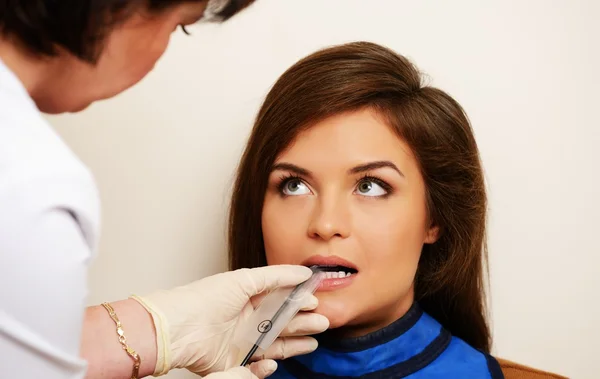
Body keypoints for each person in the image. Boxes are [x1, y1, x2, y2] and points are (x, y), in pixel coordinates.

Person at [0, 1, 329, 379]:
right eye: (180, 25)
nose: (326, 223)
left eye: (370, 186)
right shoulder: (30, 185)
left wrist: (159, 329)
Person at [228, 41, 567, 378]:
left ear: (434, 219)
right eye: (294, 185)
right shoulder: (218, 367)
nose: (326, 223)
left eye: (370, 186)